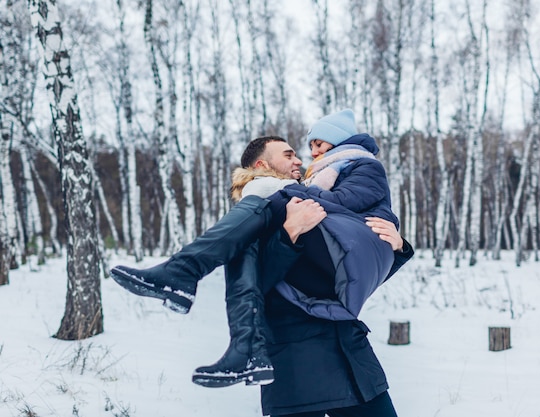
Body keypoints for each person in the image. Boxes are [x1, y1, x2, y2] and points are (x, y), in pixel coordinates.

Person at [110, 110, 412, 394]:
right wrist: (288, 233)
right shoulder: (256, 221)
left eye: (309, 147)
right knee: (253, 224)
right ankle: (234, 335)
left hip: (348, 354)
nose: (304, 159)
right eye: (289, 154)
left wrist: (398, 247)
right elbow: (262, 281)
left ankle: (187, 280)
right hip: (292, 358)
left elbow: (356, 270)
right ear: (262, 167)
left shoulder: (303, 195)